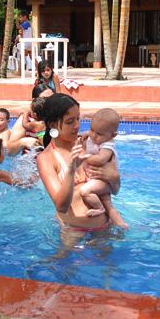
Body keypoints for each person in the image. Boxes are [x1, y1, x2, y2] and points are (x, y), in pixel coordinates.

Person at [36, 93, 121, 231]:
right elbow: (61, 206)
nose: (77, 125)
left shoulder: (89, 144)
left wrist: (114, 178)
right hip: (74, 232)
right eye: (70, 122)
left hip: (106, 226)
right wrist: (71, 171)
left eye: (78, 118)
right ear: (53, 125)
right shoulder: (46, 158)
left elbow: (114, 190)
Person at [80, 108, 128, 228]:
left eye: (99, 134)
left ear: (113, 135)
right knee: (109, 205)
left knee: (84, 191)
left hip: (103, 181)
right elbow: (92, 135)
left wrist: (83, 157)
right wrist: (87, 134)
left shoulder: (108, 145)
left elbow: (101, 159)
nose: (94, 136)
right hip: (97, 180)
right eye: (92, 129)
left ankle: (99, 208)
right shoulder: (93, 138)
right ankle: (122, 225)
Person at [6, 84, 55, 155]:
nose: (50, 102)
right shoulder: (27, 118)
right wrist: (23, 142)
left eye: (52, 98)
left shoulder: (59, 117)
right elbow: (9, 151)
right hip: (30, 162)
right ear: (34, 101)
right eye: (45, 99)